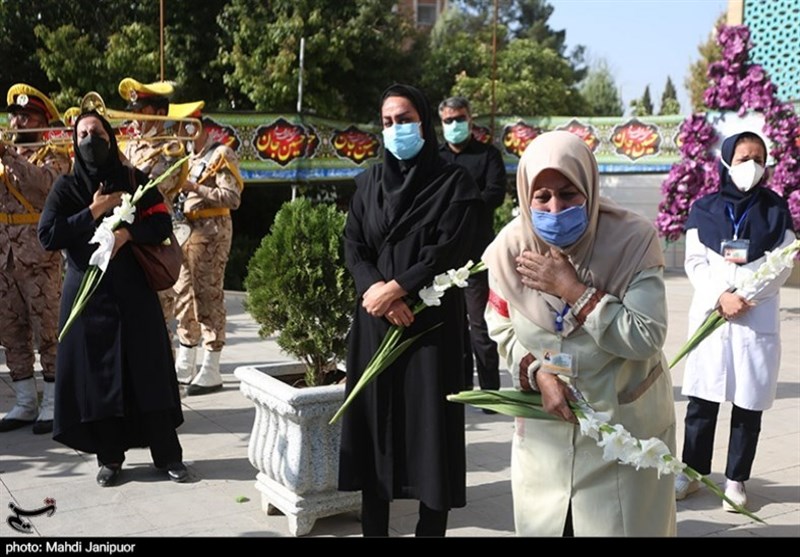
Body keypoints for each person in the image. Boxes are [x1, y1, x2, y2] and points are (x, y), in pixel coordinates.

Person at [483, 131, 677, 536]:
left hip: (623, 428)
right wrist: (537, 372)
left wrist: (573, 290)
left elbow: (646, 335)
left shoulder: (633, 240)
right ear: (525, 196)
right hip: (547, 432)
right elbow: (500, 327)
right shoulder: (509, 249)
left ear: (589, 187)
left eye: (569, 194)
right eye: (542, 197)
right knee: (552, 525)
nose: (556, 208)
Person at [338, 84, 482, 537]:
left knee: (429, 430)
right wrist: (376, 291)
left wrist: (400, 290)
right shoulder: (368, 183)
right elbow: (354, 244)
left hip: (430, 326)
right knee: (374, 429)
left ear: (423, 122)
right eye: (387, 122)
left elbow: (452, 247)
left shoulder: (453, 183)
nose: (395, 128)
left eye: (404, 120)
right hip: (375, 322)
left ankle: (430, 530)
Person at [37, 110, 188, 487]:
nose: (91, 140)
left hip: (134, 295)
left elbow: (161, 223)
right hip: (89, 299)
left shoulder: (134, 179)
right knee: (100, 379)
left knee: (148, 372)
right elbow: (49, 235)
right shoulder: (66, 187)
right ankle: (110, 458)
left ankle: (168, 455)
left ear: (111, 137)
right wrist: (95, 210)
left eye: (98, 133)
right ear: (75, 143)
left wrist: (128, 234)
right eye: (83, 134)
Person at [676, 131, 796, 511]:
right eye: (744, 158)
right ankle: (692, 472)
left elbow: (783, 264)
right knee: (702, 402)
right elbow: (694, 261)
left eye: (759, 159)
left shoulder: (776, 210)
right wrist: (721, 297)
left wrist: (744, 297)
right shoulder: (704, 208)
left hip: (754, 316)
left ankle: (736, 480)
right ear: (727, 161)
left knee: (748, 405)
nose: (752, 166)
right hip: (714, 314)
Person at [0, 84, 71, 434]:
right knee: (10, 330)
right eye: (14, 115)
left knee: (48, 329)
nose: (17, 121)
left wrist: (8, 156)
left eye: (25, 116)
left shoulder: (53, 153)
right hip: (5, 256)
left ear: (43, 120)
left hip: (39, 255)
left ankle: (54, 402)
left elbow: (46, 186)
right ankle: (26, 401)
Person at [171, 102, 244, 395]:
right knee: (182, 295)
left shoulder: (221, 154)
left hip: (212, 232)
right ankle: (186, 359)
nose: (177, 133)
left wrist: (195, 188)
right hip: (185, 231)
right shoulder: (185, 158)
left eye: (181, 127)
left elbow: (232, 198)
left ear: (194, 126)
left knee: (208, 295)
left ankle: (211, 365)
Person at [437, 96, 506, 397]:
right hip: (441, 256)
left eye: (459, 119)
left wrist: (457, 205)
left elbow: (495, 194)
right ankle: (460, 387)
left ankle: (489, 392)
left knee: (479, 325)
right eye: (448, 120)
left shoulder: (488, 155)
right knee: (450, 327)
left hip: (476, 255)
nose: (454, 124)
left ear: (470, 119)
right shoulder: (435, 158)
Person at [118, 78, 188, 351]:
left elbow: (153, 187)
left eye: (141, 110)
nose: (134, 117)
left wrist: (119, 162)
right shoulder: (128, 145)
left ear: (159, 114)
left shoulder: (171, 149)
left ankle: (163, 377)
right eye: (132, 110)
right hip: (126, 238)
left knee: (156, 321)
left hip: (153, 241)